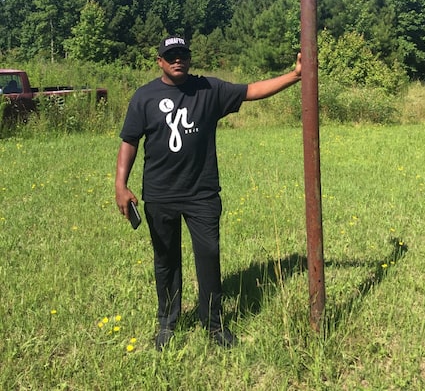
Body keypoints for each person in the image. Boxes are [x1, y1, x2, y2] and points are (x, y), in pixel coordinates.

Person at [115, 35, 301, 350]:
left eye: (183, 54)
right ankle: (166, 323)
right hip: (160, 194)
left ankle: (213, 325)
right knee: (166, 261)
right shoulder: (144, 97)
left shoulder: (208, 90)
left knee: (209, 257)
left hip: (202, 193)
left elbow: (251, 90)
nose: (178, 60)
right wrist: (121, 185)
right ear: (159, 61)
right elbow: (129, 140)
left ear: (189, 58)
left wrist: (295, 76)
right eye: (170, 55)